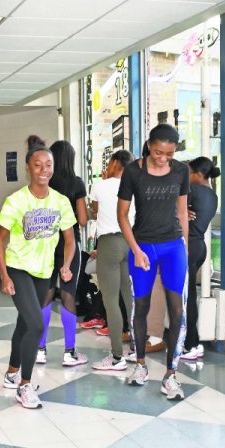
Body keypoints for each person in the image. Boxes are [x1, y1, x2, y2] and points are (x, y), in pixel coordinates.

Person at [0, 135, 77, 409]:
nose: (44, 170)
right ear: (28, 168)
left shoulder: (61, 201)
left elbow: (69, 240)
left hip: (45, 271)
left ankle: (11, 371)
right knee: (37, 324)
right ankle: (25, 385)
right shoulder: (16, 201)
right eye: (38, 165)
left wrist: (66, 265)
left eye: (48, 165)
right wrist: (4, 275)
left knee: (24, 323)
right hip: (18, 268)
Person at [117, 124, 189, 400]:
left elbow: (182, 211)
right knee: (141, 306)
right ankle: (141, 365)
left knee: (177, 309)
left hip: (173, 247)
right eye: (158, 152)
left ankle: (171, 375)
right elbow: (122, 214)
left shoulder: (181, 171)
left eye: (169, 154)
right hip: (143, 247)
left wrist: (186, 246)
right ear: (148, 145)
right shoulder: (133, 171)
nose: (163, 158)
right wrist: (135, 249)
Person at [35, 140, 88, 367]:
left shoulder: (46, 183)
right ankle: (69, 352)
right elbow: (83, 220)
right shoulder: (76, 183)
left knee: (45, 295)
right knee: (68, 295)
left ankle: (39, 350)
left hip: (46, 245)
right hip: (69, 245)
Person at [90, 150, 137, 371]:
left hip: (109, 244)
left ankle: (117, 357)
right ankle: (137, 348)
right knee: (129, 297)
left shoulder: (100, 186)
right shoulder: (134, 186)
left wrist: (105, 179)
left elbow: (94, 212)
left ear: (116, 163)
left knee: (110, 300)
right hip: (130, 242)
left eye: (109, 162)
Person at [180, 156, 220, 360]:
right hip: (199, 247)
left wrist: (180, 210)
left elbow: (168, 203)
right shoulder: (212, 195)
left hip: (187, 247)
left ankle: (191, 344)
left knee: (186, 299)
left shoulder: (192, 191)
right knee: (189, 297)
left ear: (199, 174)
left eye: (190, 172)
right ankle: (191, 342)